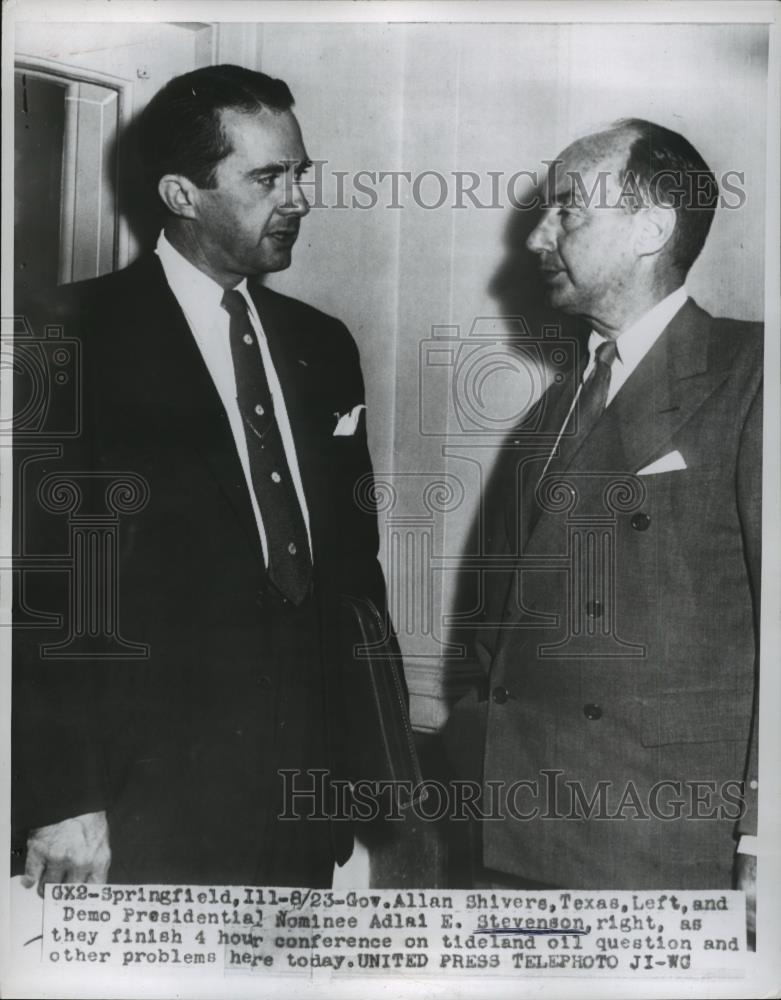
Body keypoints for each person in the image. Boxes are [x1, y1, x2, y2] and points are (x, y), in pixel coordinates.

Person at [13, 64, 401, 889]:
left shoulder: (322, 345)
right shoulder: (69, 334)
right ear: (182, 195)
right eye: (268, 177)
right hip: (142, 798)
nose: (297, 198)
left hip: (306, 797)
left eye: (301, 173)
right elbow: (44, 589)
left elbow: (354, 575)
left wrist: (371, 782)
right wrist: (62, 796)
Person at [445, 120, 761, 911]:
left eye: (568, 210)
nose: (536, 238)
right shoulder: (555, 406)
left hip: (660, 847)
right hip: (511, 831)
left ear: (651, 226)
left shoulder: (754, 373)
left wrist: (764, 838)